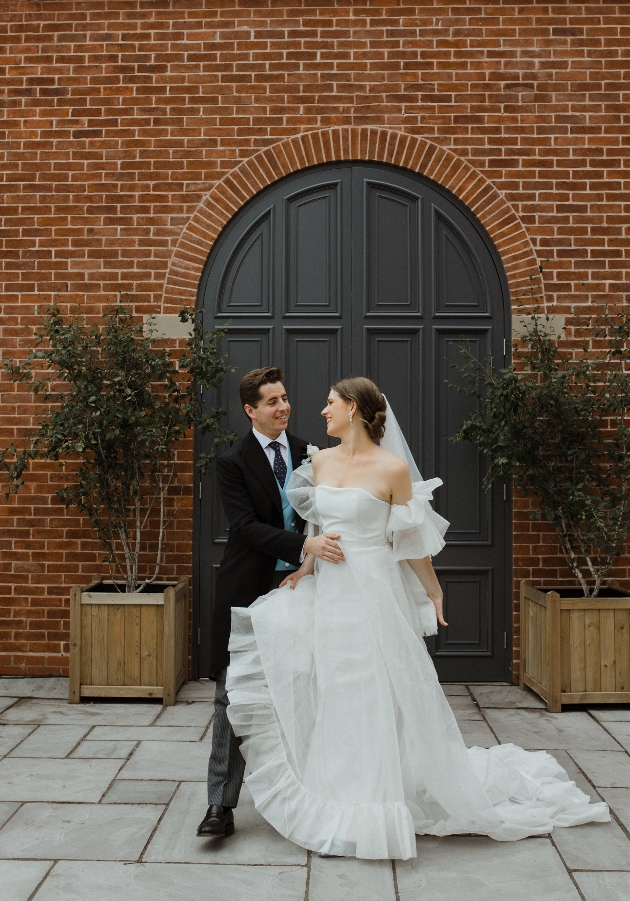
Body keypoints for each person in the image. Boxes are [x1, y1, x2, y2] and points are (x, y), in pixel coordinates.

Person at [225, 376, 609, 859]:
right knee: (333, 685)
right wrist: (304, 568)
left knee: (371, 687)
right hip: (329, 590)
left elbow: (409, 543)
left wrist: (434, 590)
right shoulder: (317, 461)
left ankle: (377, 798)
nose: (321, 412)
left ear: (356, 410)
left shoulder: (393, 470)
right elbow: (318, 526)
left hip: (372, 590)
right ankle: (334, 791)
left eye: (330, 404)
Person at [197, 367, 346, 838]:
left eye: (284, 397)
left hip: (309, 586)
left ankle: (315, 793)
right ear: (250, 410)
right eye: (271, 401)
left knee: (313, 686)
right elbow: (244, 528)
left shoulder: (311, 452)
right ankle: (220, 806)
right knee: (232, 692)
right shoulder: (232, 462)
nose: (283, 406)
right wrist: (303, 547)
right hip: (249, 587)